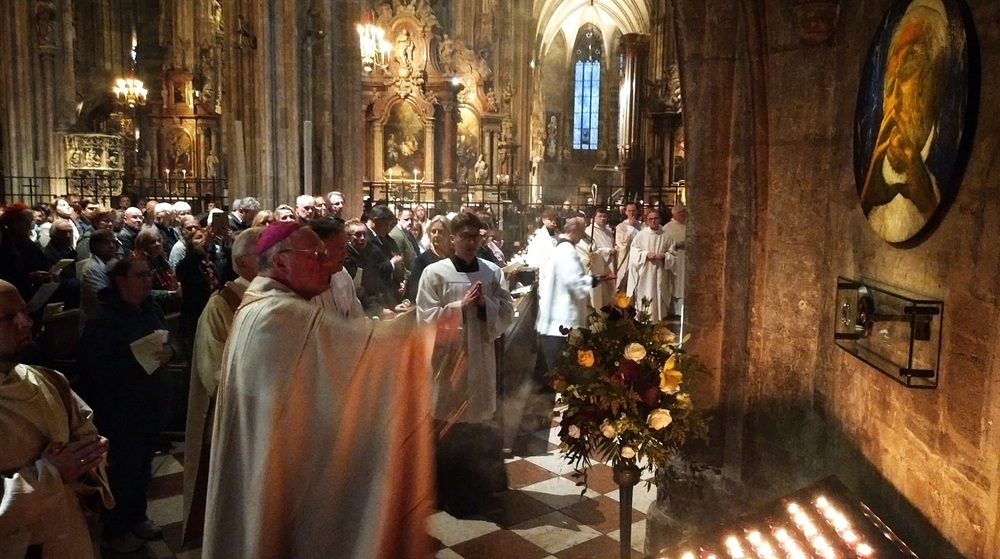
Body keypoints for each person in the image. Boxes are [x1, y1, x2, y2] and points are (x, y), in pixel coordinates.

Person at [203, 221, 436, 559]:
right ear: (280, 261)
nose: (329, 264)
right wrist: (424, 335)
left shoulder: (261, 303)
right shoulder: (277, 313)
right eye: (317, 255)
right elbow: (358, 353)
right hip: (280, 469)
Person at [0, 279, 113, 558]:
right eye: (8, 317)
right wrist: (50, 474)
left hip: (69, 534)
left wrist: (88, 457)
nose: (25, 323)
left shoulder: (49, 380)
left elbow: (86, 435)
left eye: (24, 312)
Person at [416, 212, 514, 515]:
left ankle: (480, 488)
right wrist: (460, 306)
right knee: (450, 426)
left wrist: (486, 304)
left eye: (475, 237)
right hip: (449, 363)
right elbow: (424, 319)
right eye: (465, 237)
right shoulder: (435, 273)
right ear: (453, 238)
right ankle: (448, 493)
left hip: (481, 359)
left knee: (478, 425)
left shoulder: (491, 272)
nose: (471, 243)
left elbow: (507, 311)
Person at [78, 256, 176, 553]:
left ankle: (138, 517)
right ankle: (115, 530)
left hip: (151, 404)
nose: (148, 280)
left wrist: (170, 351)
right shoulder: (103, 321)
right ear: (121, 280)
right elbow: (93, 370)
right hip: (122, 410)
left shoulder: (151, 309)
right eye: (140, 275)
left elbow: (170, 341)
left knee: (143, 469)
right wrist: (135, 361)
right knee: (123, 473)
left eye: (149, 274)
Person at [182, 227, 262, 545]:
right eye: (265, 255)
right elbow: (215, 370)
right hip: (239, 415)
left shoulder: (277, 298)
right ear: (242, 263)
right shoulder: (223, 304)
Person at [859, 0, 949, 242]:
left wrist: (928, 203)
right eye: (892, 64)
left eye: (911, 59)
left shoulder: (945, 166)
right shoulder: (873, 174)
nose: (894, 83)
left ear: (937, 80)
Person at [537, 217, 615, 380]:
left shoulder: (562, 248)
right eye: (582, 230)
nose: (583, 234)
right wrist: (596, 279)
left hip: (555, 318)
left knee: (551, 368)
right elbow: (575, 284)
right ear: (574, 230)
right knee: (560, 370)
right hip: (561, 320)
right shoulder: (568, 252)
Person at [627, 209, 676, 323]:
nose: (653, 221)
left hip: (661, 271)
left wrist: (663, 256)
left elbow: (673, 254)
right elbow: (633, 253)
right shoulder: (641, 235)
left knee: (659, 295)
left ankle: (659, 322)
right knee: (646, 294)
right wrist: (646, 254)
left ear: (660, 219)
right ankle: (645, 321)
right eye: (650, 219)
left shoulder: (666, 235)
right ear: (647, 221)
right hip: (645, 273)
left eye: (656, 218)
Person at [578, 206, 617, 311]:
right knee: (599, 294)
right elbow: (592, 250)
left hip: (609, 264)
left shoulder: (608, 231)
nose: (603, 219)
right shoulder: (589, 231)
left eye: (604, 216)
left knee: (609, 293)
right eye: (600, 216)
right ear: (594, 218)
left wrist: (615, 248)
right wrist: (608, 251)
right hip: (598, 266)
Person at [405, 214, 450, 302]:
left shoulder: (454, 258)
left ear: (449, 235)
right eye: (433, 231)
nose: (436, 235)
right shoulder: (422, 260)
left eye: (441, 232)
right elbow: (415, 290)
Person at [664, 203, 687, 316]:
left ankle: (682, 310)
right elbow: (664, 245)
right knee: (674, 283)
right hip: (674, 260)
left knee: (683, 283)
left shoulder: (688, 226)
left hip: (685, 259)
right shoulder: (667, 228)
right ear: (674, 214)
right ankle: (673, 310)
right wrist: (677, 245)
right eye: (680, 212)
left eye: (683, 212)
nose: (682, 214)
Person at [614, 202, 642, 291]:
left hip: (638, 258)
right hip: (625, 258)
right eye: (629, 211)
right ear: (625, 212)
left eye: (633, 210)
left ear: (637, 211)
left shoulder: (641, 226)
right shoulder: (620, 227)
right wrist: (630, 227)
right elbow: (622, 243)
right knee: (623, 282)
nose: (631, 213)